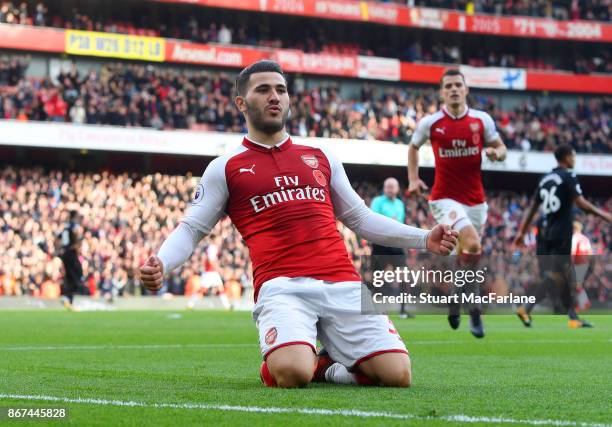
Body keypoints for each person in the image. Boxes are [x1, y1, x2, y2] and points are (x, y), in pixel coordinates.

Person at [140, 60, 458, 388]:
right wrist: (162, 262)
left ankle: (326, 365)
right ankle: (300, 361)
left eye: (281, 89)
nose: (274, 96)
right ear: (241, 103)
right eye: (263, 90)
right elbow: (192, 227)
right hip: (282, 286)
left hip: (341, 282)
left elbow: (359, 218)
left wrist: (424, 238)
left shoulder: (321, 154)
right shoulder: (225, 167)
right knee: (292, 374)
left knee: (397, 375)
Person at [407, 68, 507, 338]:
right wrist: (414, 179)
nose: (453, 89)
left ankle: (458, 299)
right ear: (441, 92)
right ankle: (470, 307)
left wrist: (496, 153)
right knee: (473, 243)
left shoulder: (481, 120)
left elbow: (501, 147)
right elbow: (413, 147)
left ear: (466, 90)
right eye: (448, 85)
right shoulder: (431, 123)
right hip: (444, 198)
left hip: (476, 202)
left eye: (457, 85)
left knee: (469, 259)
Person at [513, 144, 611, 328]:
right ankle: (527, 308)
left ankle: (571, 317)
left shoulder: (545, 179)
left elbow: (533, 208)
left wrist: (521, 232)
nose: (574, 160)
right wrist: (605, 215)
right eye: (573, 156)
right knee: (558, 276)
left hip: (545, 233)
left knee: (560, 276)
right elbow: (582, 204)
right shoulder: (568, 176)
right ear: (566, 157)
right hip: (561, 234)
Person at [370, 177, 412, 318]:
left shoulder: (400, 204)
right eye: (387, 186)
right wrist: (389, 222)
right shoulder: (377, 201)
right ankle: (376, 310)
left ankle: (403, 310)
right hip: (380, 242)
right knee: (378, 278)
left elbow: (400, 223)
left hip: (396, 244)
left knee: (404, 277)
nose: (390, 189)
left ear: (397, 188)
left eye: (392, 186)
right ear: (384, 188)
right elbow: (372, 219)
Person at [56, 209, 84, 310]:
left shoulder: (65, 227)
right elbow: (77, 237)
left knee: (69, 277)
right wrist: (77, 246)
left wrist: (59, 250)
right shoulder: (74, 226)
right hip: (71, 253)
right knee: (78, 274)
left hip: (65, 253)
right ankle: (67, 297)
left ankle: (68, 300)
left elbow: (58, 239)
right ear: (74, 216)